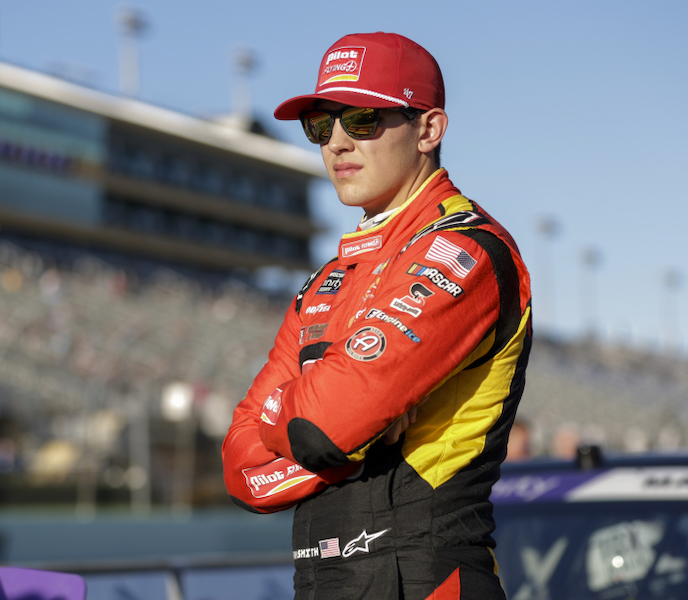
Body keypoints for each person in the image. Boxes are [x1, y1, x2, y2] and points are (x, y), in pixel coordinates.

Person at [222, 32, 532, 600]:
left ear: (429, 129)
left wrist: (330, 424)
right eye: (321, 125)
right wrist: (349, 423)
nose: (337, 142)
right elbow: (242, 470)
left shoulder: (468, 251)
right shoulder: (326, 281)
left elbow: (321, 428)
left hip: (424, 579)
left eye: (363, 119)